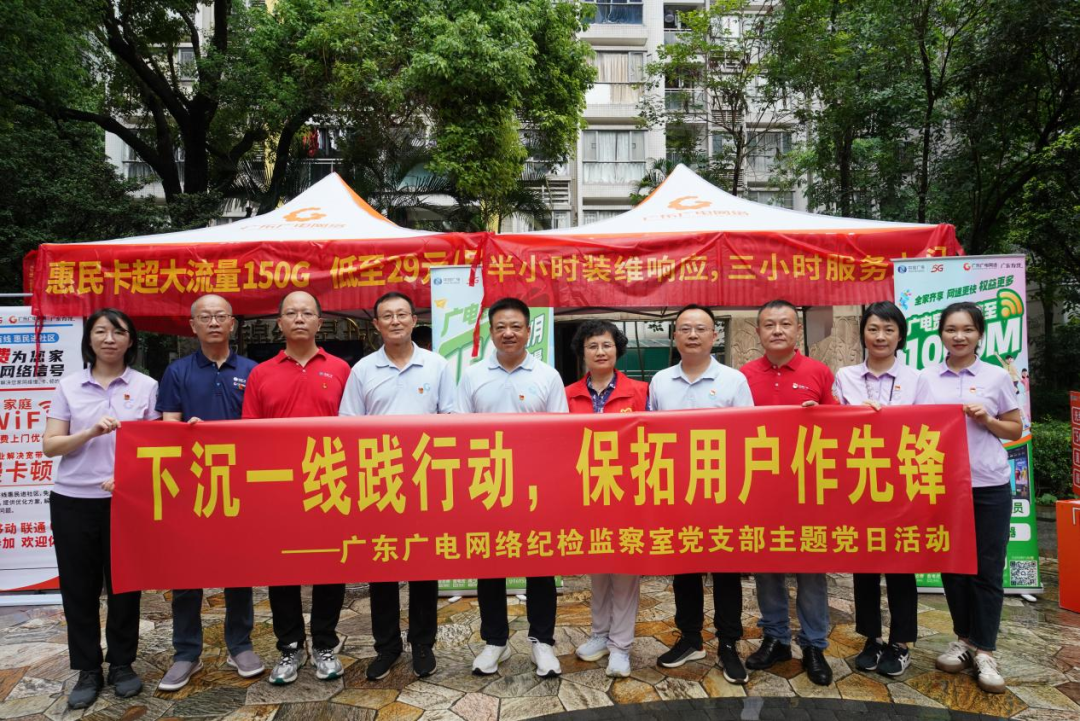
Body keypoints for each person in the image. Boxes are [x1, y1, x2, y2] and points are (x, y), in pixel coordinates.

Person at [43, 309, 160, 709]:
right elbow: (50, 445)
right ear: (89, 339)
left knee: (125, 587)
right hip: (73, 501)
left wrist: (129, 477)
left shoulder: (146, 386)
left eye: (118, 332)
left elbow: (154, 446)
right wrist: (90, 431)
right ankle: (88, 668)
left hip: (126, 502)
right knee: (79, 589)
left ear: (131, 341)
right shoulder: (69, 386)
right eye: (101, 331)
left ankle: (123, 664)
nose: (109, 339)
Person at [339, 292, 456, 681]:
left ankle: (423, 643)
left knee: (424, 565)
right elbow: (348, 425)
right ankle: (387, 646)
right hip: (379, 481)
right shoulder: (363, 370)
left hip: (425, 480)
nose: (395, 321)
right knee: (383, 566)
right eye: (386, 316)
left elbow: (452, 418)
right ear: (376, 324)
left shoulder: (437, 365)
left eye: (401, 314)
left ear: (413, 320)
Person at [242, 291, 351, 685]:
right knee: (281, 567)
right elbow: (249, 434)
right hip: (278, 487)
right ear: (280, 323)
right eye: (291, 313)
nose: (299, 319)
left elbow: (354, 429)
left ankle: (324, 642)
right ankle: (289, 646)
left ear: (320, 322)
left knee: (330, 564)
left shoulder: (341, 369)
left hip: (330, 483)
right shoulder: (260, 374)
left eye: (307, 313)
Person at [155, 295, 263, 691]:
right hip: (190, 485)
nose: (214, 323)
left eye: (220, 316)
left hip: (239, 484)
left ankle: (240, 644)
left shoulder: (253, 371)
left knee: (239, 568)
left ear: (232, 323)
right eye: (205, 317)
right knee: (186, 572)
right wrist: (186, 433)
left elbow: (262, 428)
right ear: (193, 326)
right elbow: (168, 426)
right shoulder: (177, 371)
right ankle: (186, 652)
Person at [457, 298, 569, 678]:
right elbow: (458, 432)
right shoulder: (472, 376)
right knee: (491, 565)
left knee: (541, 565)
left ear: (528, 331)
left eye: (516, 326)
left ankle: (543, 641)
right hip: (487, 486)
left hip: (537, 488)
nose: (508, 333)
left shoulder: (547, 376)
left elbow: (561, 434)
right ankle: (496, 641)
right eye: (501, 326)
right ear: (491, 331)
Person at [915, 302, 1022, 694]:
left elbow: (1015, 429)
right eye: (951, 329)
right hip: (943, 486)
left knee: (987, 569)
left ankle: (985, 650)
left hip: (988, 484)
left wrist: (987, 420)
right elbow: (910, 426)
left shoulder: (996, 377)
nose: (958, 336)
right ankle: (963, 640)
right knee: (954, 566)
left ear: (979, 334)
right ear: (940, 334)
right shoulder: (926, 378)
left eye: (967, 330)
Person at [648, 305, 754, 684]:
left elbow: (748, 435)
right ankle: (690, 637)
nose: (692, 335)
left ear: (714, 336)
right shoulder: (660, 381)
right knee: (685, 570)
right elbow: (651, 436)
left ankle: (728, 643)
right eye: (685, 329)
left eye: (700, 329)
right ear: (674, 336)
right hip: (678, 493)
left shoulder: (733, 380)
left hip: (723, 492)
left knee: (726, 572)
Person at [739, 299, 837, 687]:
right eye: (769, 325)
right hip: (761, 489)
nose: (777, 330)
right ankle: (776, 638)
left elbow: (842, 428)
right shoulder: (743, 376)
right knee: (767, 569)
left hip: (808, 489)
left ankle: (814, 645)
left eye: (785, 324)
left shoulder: (819, 372)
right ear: (758, 332)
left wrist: (821, 417)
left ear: (797, 330)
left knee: (811, 571)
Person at [831, 301, 919, 677]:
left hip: (903, 485)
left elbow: (930, 429)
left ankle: (901, 643)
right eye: (873, 329)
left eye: (888, 329)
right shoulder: (846, 377)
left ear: (901, 335)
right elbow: (833, 427)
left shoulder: (917, 379)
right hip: (860, 484)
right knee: (864, 564)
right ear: (862, 333)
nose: (880, 336)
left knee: (901, 565)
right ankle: (871, 638)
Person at [565, 320, 649, 678]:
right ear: (582, 352)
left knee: (626, 572)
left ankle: (621, 646)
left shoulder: (641, 392)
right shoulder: (568, 395)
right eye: (592, 346)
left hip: (629, 495)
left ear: (617, 349)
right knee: (598, 567)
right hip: (586, 495)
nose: (600, 352)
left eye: (606, 345)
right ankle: (599, 634)